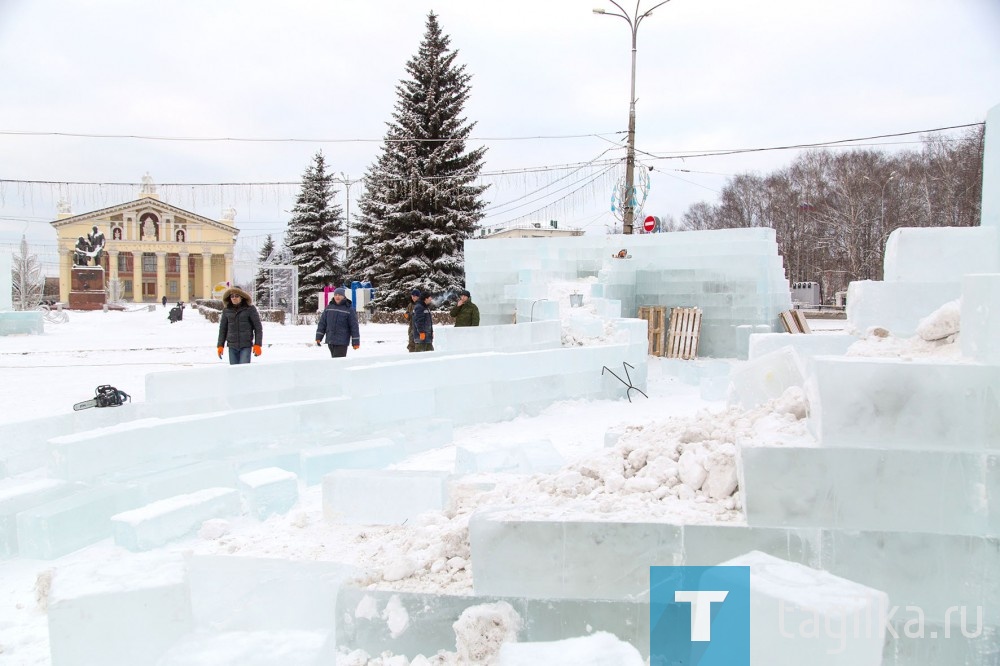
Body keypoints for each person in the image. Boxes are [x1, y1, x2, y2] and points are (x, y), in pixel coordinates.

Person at [216, 287, 263, 365]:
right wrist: (220, 345)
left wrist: (257, 344)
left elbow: (258, 327)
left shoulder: (250, 309)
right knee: (234, 372)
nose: (234, 298)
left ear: (241, 297)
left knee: (243, 370)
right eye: (232, 296)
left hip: (245, 346)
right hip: (232, 346)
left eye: (237, 296)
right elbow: (223, 329)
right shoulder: (226, 310)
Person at [315, 287, 360, 358]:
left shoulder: (349, 309)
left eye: (339, 295)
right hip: (330, 340)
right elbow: (322, 324)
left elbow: (354, 327)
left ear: (343, 296)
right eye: (336, 295)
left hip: (342, 342)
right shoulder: (329, 308)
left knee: (338, 362)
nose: (337, 297)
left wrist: (356, 342)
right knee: (334, 361)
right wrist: (319, 337)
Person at [403, 288, 421, 352]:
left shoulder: (421, 304)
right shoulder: (410, 305)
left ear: (418, 297)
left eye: (415, 296)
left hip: (419, 329)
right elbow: (407, 316)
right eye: (412, 296)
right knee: (411, 345)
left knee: (418, 345)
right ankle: (412, 359)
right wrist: (406, 315)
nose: (413, 297)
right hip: (411, 328)